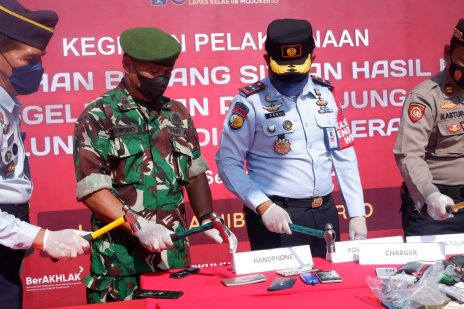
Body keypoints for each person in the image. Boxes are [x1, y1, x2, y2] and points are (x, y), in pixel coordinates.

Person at [73, 26, 223, 303]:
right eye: (153, 73)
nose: (161, 80)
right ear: (127, 65)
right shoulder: (99, 115)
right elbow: (92, 190)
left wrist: (206, 217)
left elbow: (195, 171)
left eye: (167, 73)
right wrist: (139, 225)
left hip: (173, 260)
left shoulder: (177, 113)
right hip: (119, 266)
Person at [215, 18, 367, 258]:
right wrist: (263, 207)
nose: (292, 75)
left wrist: (357, 212)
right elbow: (228, 163)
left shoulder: (325, 96)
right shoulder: (250, 101)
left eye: (299, 65)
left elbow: (344, 155)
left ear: (312, 59)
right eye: (283, 67)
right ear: (267, 60)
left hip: (325, 212)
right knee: (282, 290)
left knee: (332, 288)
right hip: (276, 216)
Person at [0, 1, 90, 308]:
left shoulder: (7, 102)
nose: (37, 69)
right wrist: (43, 238)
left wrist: (32, 235)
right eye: (29, 59)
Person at [394, 19, 464, 236]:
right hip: (440, 206)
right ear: (447, 54)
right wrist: (429, 195)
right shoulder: (425, 97)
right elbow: (409, 155)